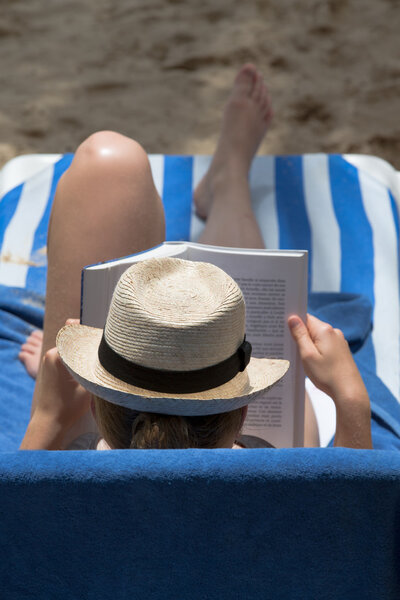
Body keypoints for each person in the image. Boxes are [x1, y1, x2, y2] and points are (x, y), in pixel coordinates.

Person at [18, 64, 373, 451]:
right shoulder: (279, 490)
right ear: (243, 413)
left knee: (109, 165)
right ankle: (230, 178)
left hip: (82, 442)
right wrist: (351, 400)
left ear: (92, 398)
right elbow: (355, 511)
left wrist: (48, 417)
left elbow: (15, 513)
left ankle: (228, 180)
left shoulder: (59, 501)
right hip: (252, 472)